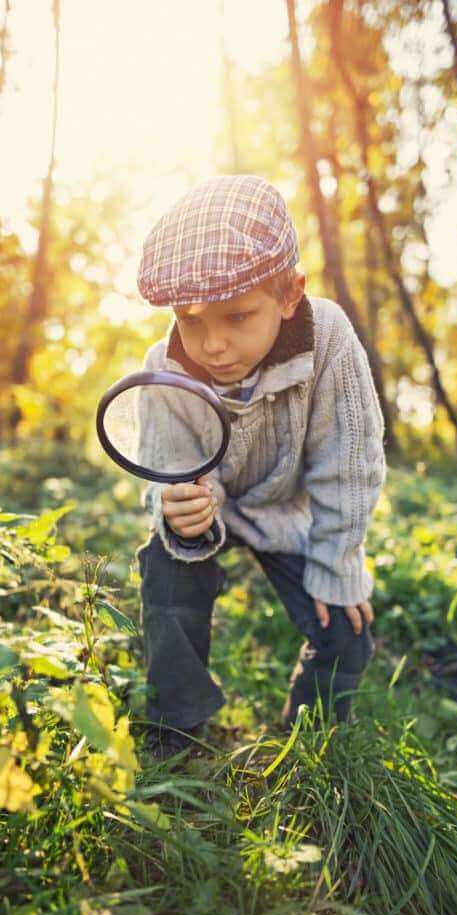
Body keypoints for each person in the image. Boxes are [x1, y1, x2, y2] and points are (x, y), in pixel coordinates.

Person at [133, 174, 387, 760]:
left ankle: (314, 740)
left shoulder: (329, 340)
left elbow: (347, 464)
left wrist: (338, 562)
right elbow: (164, 466)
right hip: (209, 513)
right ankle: (178, 732)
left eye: (238, 317)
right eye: (191, 320)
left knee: (346, 632)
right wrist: (177, 508)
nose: (212, 344)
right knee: (166, 576)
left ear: (290, 294)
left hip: (288, 513)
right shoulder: (162, 366)